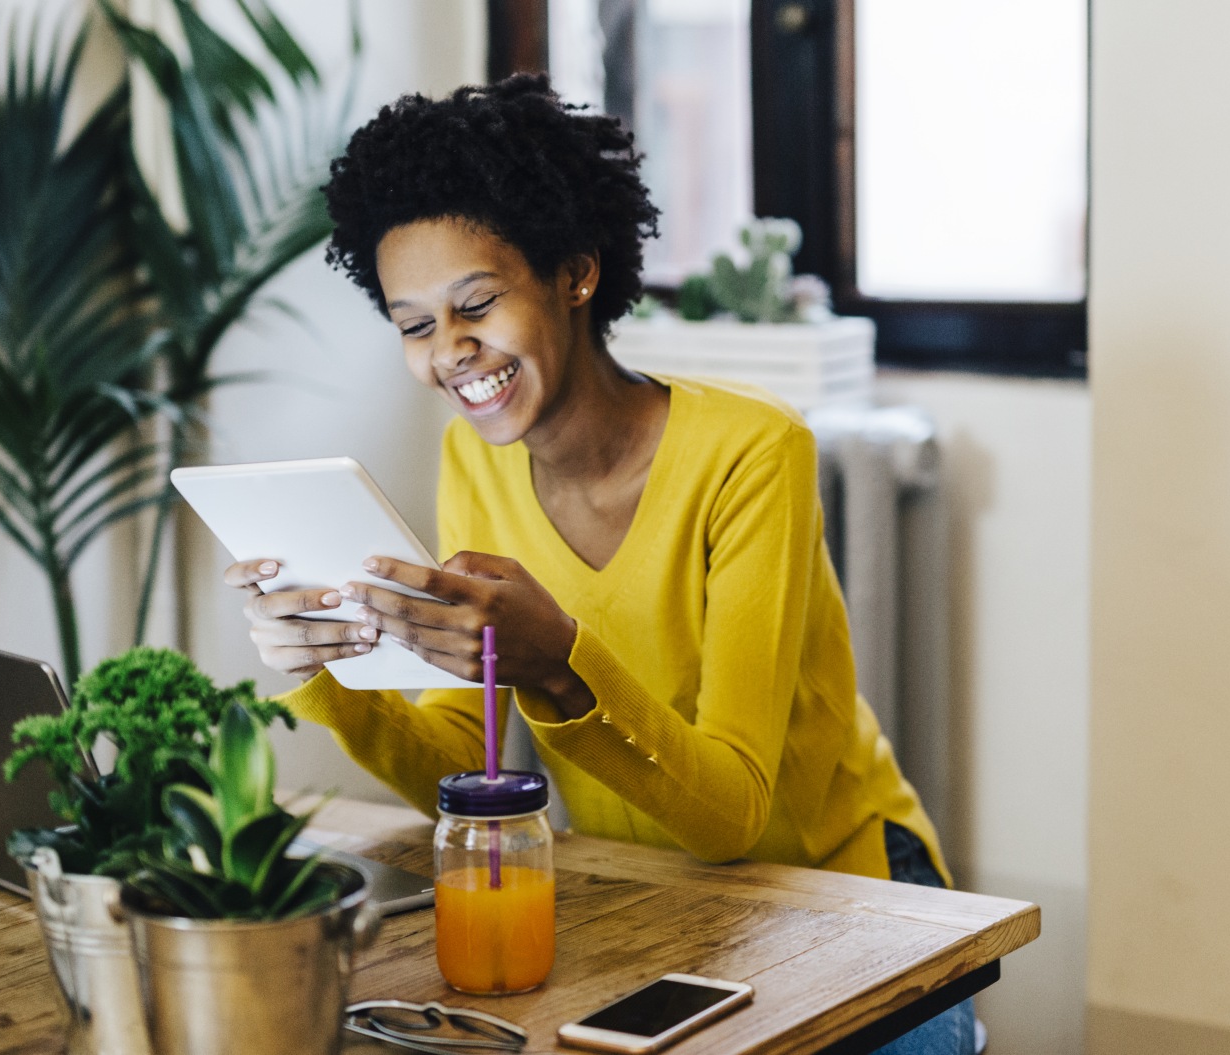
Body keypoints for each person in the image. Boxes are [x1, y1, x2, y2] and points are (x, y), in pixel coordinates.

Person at [224, 75, 975, 1054]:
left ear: (575, 274)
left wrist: (557, 660)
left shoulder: (752, 452)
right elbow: (465, 761)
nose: (450, 352)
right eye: (414, 325)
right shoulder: (473, 459)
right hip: (649, 898)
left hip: (847, 890)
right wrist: (333, 673)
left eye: (476, 304)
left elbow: (734, 813)